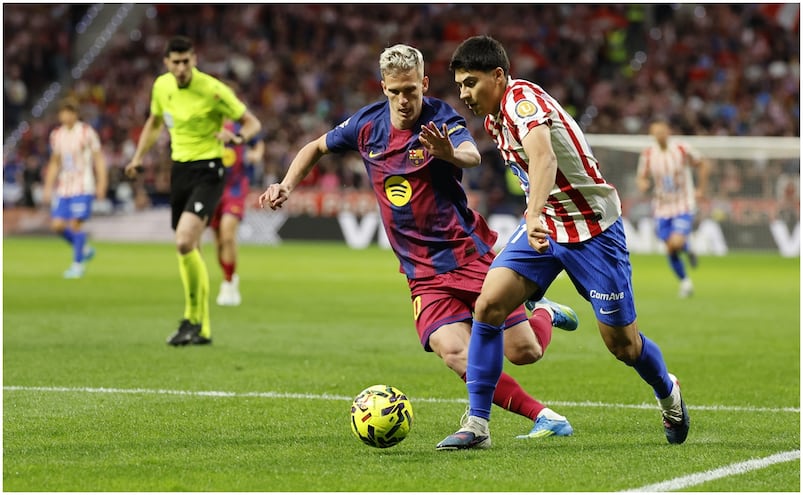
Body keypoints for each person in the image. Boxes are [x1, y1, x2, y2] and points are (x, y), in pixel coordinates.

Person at [260, 44, 579, 440]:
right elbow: (316, 147)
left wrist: (449, 153)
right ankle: (543, 417)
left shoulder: (441, 117)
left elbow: (471, 155)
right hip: (421, 273)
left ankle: (544, 311)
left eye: (410, 90)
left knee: (524, 352)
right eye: (394, 92)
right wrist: (286, 184)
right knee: (455, 353)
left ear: (424, 84)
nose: (404, 100)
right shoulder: (365, 125)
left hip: (466, 255)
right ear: (383, 88)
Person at [438, 35, 689, 450]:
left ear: (498, 76)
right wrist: (537, 217)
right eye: (461, 85)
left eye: (471, 82)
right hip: (546, 227)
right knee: (488, 305)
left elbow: (544, 158)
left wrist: (532, 212)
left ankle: (668, 389)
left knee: (623, 345)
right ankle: (478, 425)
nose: (464, 94)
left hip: (592, 231)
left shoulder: (522, 103)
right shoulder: (494, 119)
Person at [124, 36, 262, 346]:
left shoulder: (213, 89)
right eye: (176, 62)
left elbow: (252, 123)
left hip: (210, 170)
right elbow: (155, 122)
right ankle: (201, 326)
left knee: (184, 241)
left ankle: (192, 318)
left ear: (194, 59)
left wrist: (238, 138)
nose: (182, 67)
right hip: (181, 171)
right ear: (167, 63)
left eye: (187, 61)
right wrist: (137, 157)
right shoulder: (161, 87)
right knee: (190, 248)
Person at [636, 120, 710, 298]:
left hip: (683, 204)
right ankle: (685, 281)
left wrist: (701, 189)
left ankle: (684, 246)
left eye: (662, 131)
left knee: (675, 243)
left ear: (668, 132)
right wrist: (643, 184)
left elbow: (703, 164)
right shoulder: (648, 154)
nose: (660, 135)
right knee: (670, 248)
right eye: (656, 133)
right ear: (652, 135)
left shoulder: (682, 149)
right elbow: (641, 177)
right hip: (661, 207)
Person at [42, 97, 108, 279]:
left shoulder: (87, 132)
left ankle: (77, 265)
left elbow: (98, 158)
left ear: (75, 114)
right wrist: (48, 187)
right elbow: (55, 163)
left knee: (75, 225)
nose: (66, 115)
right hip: (64, 187)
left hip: (83, 186)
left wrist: (102, 183)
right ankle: (84, 248)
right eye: (63, 112)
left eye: (69, 112)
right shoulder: (56, 135)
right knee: (56, 226)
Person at [211, 119, 265, 307]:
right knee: (218, 240)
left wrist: (256, 155)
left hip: (235, 187)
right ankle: (228, 276)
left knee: (227, 233)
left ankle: (229, 281)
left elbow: (257, 142)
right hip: (211, 188)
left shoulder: (239, 126)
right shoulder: (208, 124)